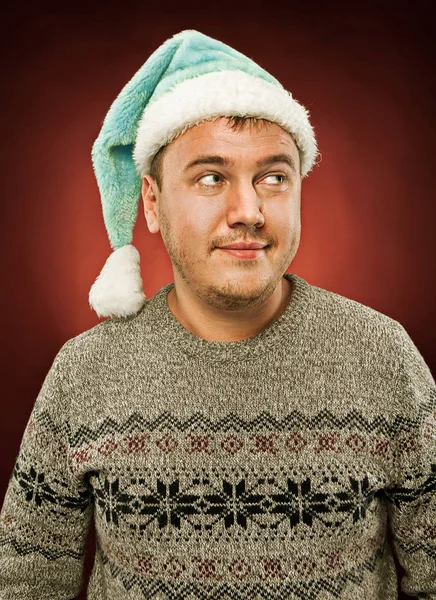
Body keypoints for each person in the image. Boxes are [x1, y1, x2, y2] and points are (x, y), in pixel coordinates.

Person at [0, 29, 435, 600]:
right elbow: (28, 582)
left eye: (273, 178)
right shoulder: (84, 373)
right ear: (151, 203)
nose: (249, 211)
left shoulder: (383, 357)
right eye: (211, 178)